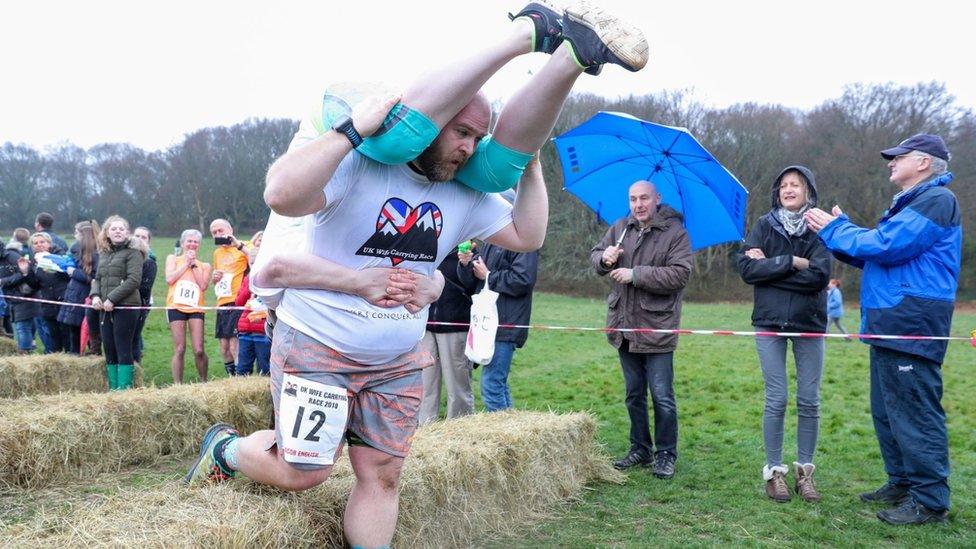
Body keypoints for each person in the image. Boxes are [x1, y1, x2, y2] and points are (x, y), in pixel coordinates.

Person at [184, 5, 647, 547]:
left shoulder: (464, 190)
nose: (469, 147)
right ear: (424, 124)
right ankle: (225, 450)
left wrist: (529, 166)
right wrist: (353, 131)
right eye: (461, 132)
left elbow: (527, 235)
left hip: (398, 359)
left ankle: (572, 54)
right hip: (319, 346)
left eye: (480, 138)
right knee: (304, 473)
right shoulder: (360, 164)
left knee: (382, 475)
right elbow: (282, 195)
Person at [805, 134, 959, 525]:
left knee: (914, 414)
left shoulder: (937, 200)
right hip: (891, 321)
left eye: (898, 157)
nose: (890, 162)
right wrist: (836, 233)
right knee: (887, 413)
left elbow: (887, 245)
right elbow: (877, 254)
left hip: (912, 322)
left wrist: (838, 228)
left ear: (923, 163)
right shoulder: (910, 204)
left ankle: (930, 502)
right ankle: (903, 483)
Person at [737, 166, 831, 503]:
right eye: (784, 185)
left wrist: (773, 267)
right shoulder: (763, 225)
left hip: (810, 323)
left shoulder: (820, 227)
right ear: (777, 192)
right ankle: (774, 473)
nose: (789, 190)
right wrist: (793, 261)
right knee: (776, 399)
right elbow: (747, 269)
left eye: (797, 185)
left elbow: (820, 276)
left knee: (809, 400)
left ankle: (805, 474)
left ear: (809, 191)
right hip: (769, 324)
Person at [591, 180, 692, 479]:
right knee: (634, 394)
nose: (639, 204)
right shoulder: (621, 227)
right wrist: (604, 259)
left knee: (661, 395)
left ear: (657, 199)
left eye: (644, 198)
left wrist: (636, 274)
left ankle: (665, 453)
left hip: (657, 327)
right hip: (624, 327)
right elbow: (595, 255)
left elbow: (680, 274)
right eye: (633, 199)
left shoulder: (676, 233)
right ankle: (639, 448)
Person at [457, 235, 539, 412]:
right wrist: (465, 264)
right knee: (497, 384)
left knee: (492, 385)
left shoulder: (526, 244)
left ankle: (502, 436)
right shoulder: (490, 243)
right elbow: (472, 284)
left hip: (506, 324)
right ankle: (511, 433)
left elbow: (524, 280)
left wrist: (488, 275)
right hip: (487, 323)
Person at [418, 247, 476, 424]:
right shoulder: (427, 251)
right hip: (426, 327)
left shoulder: (469, 252)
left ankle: (459, 429)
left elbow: (474, 287)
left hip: (455, 327)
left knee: (457, 386)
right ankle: (425, 429)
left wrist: (465, 265)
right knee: (425, 386)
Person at [90, 215, 145, 390]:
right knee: (109, 348)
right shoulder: (104, 254)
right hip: (104, 308)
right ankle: (113, 390)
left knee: (123, 348)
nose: (118, 231)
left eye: (121, 228)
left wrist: (112, 298)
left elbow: (134, 280)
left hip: (126, 306)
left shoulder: (133, 253)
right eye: (114, 229)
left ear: (127, 232)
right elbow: (97, 278)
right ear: (107, 233)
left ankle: (124, 391)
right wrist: (95, 296)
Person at [165, 229, 212, 383]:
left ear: (199, 245)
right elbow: (170, 279)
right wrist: (185, 263)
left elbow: (203, 285)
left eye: (195, 241)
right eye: (189, 241)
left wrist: (193, 265)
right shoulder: (173, 258)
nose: (192, 244)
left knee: (199, 349)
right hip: (175, 306)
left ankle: (203, 381)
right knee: (179, 348)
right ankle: (178, 385)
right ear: (183, 243)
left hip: (196, 308)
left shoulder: (204, 265)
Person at [210, 218, 249, 376]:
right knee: (224, 347)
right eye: (214, 232)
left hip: (238, 301)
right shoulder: (217, 253)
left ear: (230, 230)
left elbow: (256, 257)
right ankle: (231, 379)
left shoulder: (244, 246)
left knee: (234, 345)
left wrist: (238, 245)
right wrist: (215, 277)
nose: (218, 234)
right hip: (222, 302)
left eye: (221, 231)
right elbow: (217, 280)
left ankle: (241, 380)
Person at [58, 220, 100, 354]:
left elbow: (94, 279)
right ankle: (74, 357)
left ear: (84, 234)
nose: (74, 235)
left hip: (85, 296)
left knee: (86, 333)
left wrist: (74, 272)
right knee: (73, 332)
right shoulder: (77, 250)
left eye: (76, 232)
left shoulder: (96, 254)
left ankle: (83, 356)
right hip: (74, 294)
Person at [29, 232, 72, 353]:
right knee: (53, 336)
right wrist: (26, 273)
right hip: (47, 304)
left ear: (49, 243)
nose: (39, 245)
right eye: (35, 243)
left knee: (67, 335)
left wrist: (49, 260)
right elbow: (35, 285)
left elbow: (66, 275)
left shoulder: (60, 255)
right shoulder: (34, 261)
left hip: (63, 300)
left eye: (42, 242)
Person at [0, 237, 40, 353]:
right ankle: (28, 348)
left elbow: (24, 273)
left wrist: (3, 281)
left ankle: (24, 352)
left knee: (22, 327)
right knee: (23, 325)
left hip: (24, 294)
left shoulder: (12, 256)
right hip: (11, 297)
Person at [131, 226, 157, 363]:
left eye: (143, 237)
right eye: (137, 236)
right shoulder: (125, 256)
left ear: (148, 242)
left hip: (140, 303)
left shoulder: (149, 262)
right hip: (122, 302)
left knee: (134, 337)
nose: (139, 239)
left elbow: (145, 288)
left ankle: (136, 368)